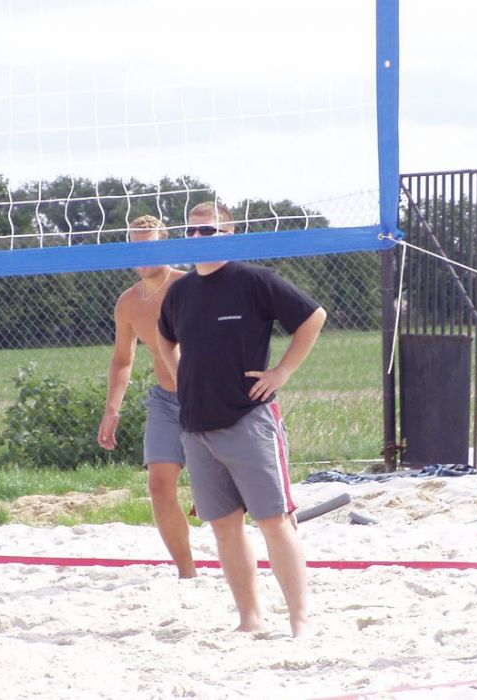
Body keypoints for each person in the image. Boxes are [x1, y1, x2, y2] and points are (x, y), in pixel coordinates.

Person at [157, 201, 326, 637]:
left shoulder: (254, 280)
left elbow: (313, 316)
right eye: (191, 231)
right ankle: (249, 619)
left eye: (207, 231)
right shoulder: (179, 291)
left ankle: (300, 621)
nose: (197, 238)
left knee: (274, 522)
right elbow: (164, 338)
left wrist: (281, 372)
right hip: (197, 425)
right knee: (224, 527)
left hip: (249, 419)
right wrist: (180, 376)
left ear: (229, 235)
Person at [97, 215, 197, 579]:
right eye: (135, 247)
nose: (142, 255)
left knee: (219, 492)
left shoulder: (191, 286)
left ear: (166, 245)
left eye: (150, 246)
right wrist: (112, 409)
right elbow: (123, 360)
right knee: (158, 485)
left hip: (205, 398)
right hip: (166, 401)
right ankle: (187, 574)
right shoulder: (127, 302)